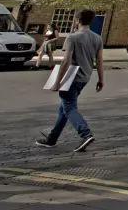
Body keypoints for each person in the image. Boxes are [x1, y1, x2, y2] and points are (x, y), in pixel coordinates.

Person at [36, 9, 104, 152]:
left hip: (71, 77)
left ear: (77, 20)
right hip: (85, 77)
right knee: (64, 109)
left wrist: (57, 82)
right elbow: (99, 60)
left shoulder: (73, 37)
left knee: (69, 107)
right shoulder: (97, 38)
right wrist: (101, 79)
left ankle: (85, 134)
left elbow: (66, 61)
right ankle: (51, 139)